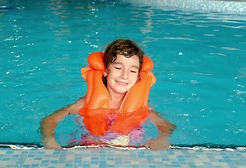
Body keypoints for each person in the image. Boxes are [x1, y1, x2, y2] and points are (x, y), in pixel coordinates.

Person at [40, 39, 176, 150]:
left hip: (130, 149)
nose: (124, 76)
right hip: (91, 148)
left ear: (138, 77)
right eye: (118, 68)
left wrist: (162, 139)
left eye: (132, 71)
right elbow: (49, 120)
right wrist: (50, 140)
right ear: (105, 71)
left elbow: (168, 126)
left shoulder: (141, 108)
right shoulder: (85, 104)